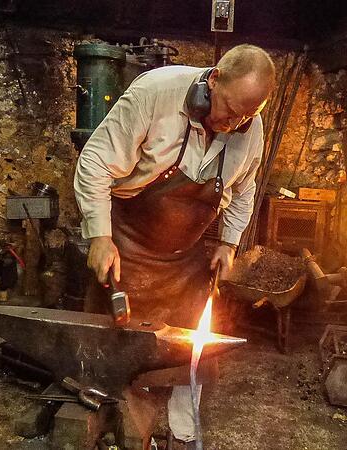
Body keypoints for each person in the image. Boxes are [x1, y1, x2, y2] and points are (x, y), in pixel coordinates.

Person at [74, 44, 276, 447]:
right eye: (228, 109)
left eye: (245, 116)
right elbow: (95, 162)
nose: (232, 123)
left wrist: (229, 242)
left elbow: (244, 189)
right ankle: (116, 415)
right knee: (117, 345)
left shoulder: (248, 127)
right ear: (214, 80)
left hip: (185, 257)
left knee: (188, 346)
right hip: (128, 243)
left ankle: (183, 425)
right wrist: (100, 235)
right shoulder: (156, 93)